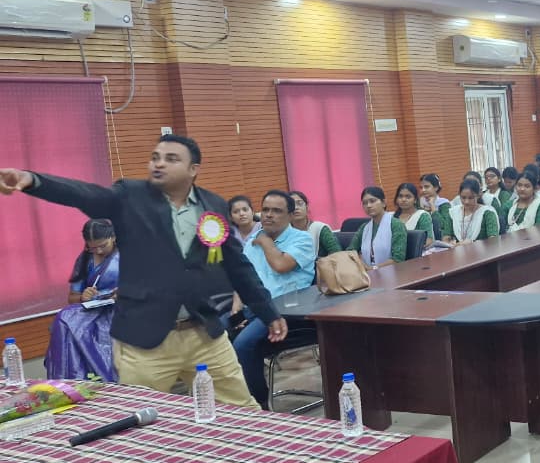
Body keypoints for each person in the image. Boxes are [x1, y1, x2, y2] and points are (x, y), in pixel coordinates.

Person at [0, 134, 280, 407]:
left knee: (241, 411)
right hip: (145, 343)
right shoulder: (129, 196)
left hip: (204, 335)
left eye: (171, 159)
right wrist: (33, 180)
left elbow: (237, 266)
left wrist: (267, 312)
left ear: (193, 169)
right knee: (140, 419)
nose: (159, 163)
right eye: (156, 157)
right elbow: (84, 194)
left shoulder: (214, 205)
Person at [231, 190, 317, 408]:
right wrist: (236, 309)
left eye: (276, 211)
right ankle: (231, 400)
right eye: (266, 210)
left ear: (290, 215)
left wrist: (265, 241)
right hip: (255, 308)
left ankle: (258, 404)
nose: (268, 215)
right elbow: (243, 279)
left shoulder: (302, 239)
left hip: (287, 313)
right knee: (216, 333)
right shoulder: (253, 241)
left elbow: (280, 265)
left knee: (244, 344)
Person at [45, 219, 120, 381]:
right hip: (93, 309)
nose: (98, 251)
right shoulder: (85, 260)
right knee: (64, 318)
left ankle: (106, 377)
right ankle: (68, 378)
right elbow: (72, 298)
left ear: (113, 237)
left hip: (122, 308)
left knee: (98, 329)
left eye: (103, 245)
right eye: (92, 247)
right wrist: (82, 297)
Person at [348, 186, 408, 266]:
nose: (368, 205)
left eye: (372, 201)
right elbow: (350, 251)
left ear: (384, 203)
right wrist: (361, 261)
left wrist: (373, 269)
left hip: (391, 271)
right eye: (365, 203)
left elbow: (398, 259)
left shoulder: (396, 225)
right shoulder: (364, 227)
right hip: (365, 271)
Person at [288, 190, 341, 257]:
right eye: (291, 205)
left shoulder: (319, 228)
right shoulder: (284, 232)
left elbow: (337, 253)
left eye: (300, 203)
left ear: (307, 207)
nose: (296, 208)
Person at [447, 177, 500, 243]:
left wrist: (472, 243)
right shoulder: (453, 213)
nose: (466, 202)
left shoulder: (487, 213)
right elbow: (446, 238)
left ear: (478, 195)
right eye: (463, 197)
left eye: (471, 198)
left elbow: (493, 241)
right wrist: (450, 243)